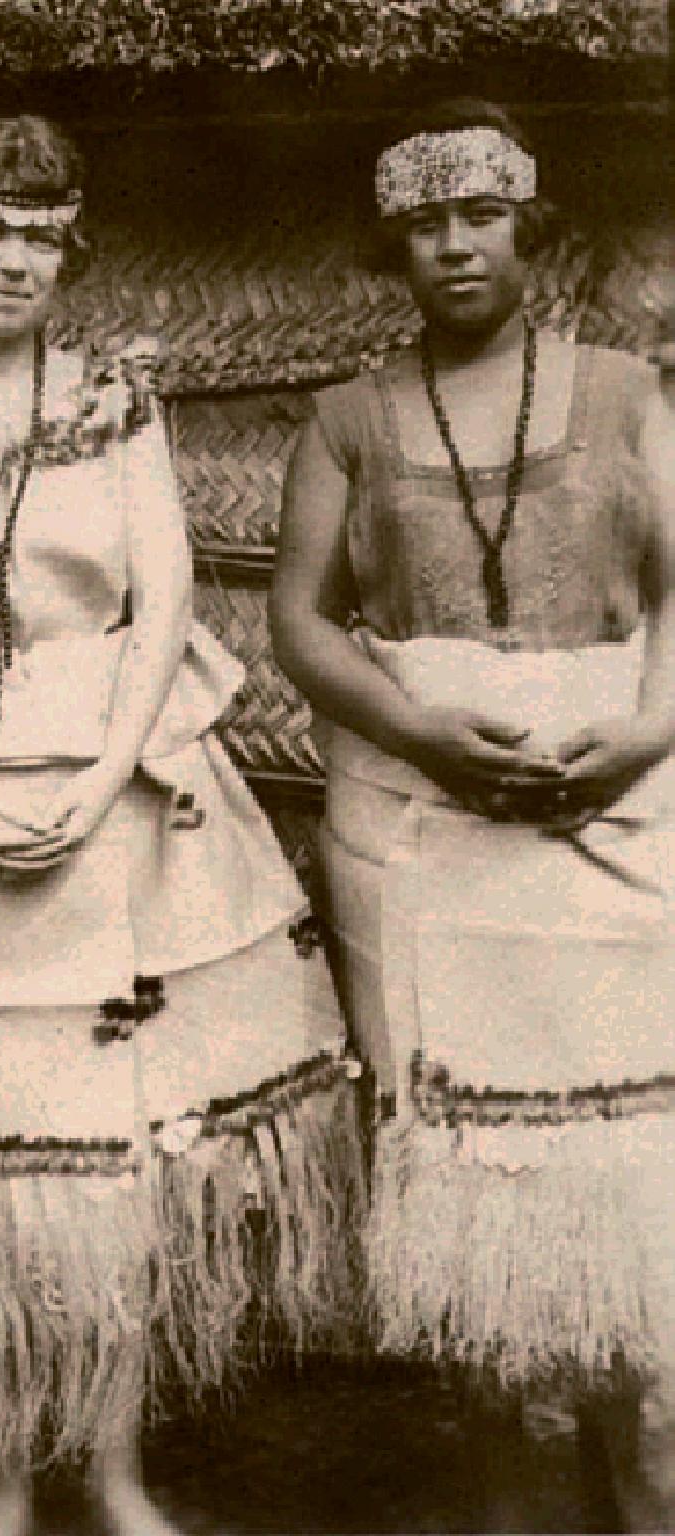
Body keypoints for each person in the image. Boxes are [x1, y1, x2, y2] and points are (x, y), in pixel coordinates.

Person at [0, 115, 362, 1536]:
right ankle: (3, 1475)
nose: (14, 261)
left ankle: (116, 1472)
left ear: (69, 253)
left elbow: (163, 603)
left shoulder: (117, 402)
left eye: (40, 237)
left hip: (121, 801)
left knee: (113, 1154)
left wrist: (112, 768)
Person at [271, 98, 675, 1527]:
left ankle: (640, 1488)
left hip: (610, 826)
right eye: (423, 225)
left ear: (527, 229)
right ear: (393, 246)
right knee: (472, 1189)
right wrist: (420, 728)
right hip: (424, 840)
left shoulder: (626, 393)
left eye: (478, 217)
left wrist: (639, 736)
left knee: (625, 1183)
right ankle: (510, 1493)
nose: (451, 248)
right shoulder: (347, 418)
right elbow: (300, 624)